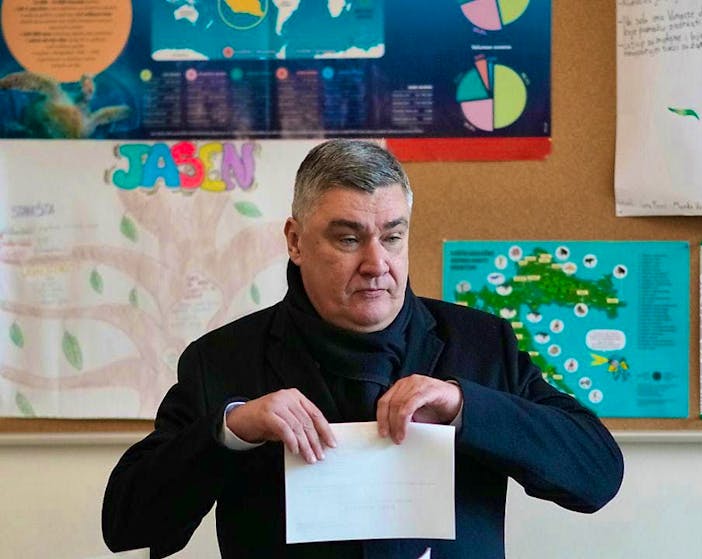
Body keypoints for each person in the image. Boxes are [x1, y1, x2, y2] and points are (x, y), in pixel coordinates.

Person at [102, 139, 624, 558]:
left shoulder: (481, 344)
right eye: (349, 239)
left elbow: (597, 476)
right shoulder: (221, 359)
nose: (377, 264)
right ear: (295, 241)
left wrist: (466, 407)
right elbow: (126, 524)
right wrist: (232, 429)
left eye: (392, 237)